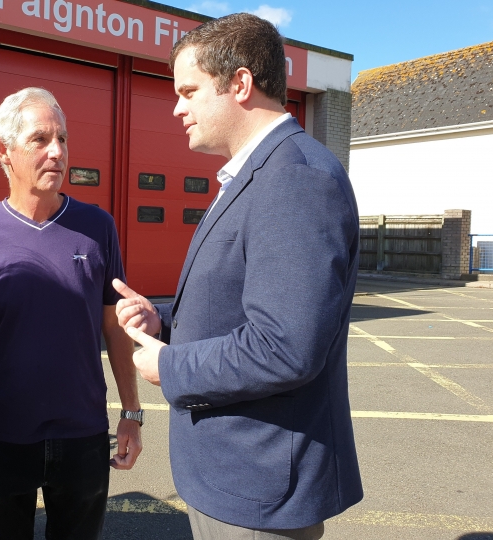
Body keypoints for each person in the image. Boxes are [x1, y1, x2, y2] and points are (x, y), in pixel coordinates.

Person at [113, 13, 363, 540]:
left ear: (241, 84)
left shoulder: (294, 179)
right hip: (232, 477)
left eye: (189, 90)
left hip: (259, 486)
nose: (177, 107)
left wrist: (169, 365)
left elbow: (285, 346)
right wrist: (162, 322)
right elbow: (239, 304)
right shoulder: (254, 174)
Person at [0, 87, 142, 540]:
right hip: (2, 435)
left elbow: (114, 325)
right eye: (40, 139)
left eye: (63, 139)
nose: (58, 152)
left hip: (83, 434)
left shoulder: (97, 227)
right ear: (3, 151)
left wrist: (133, 411)